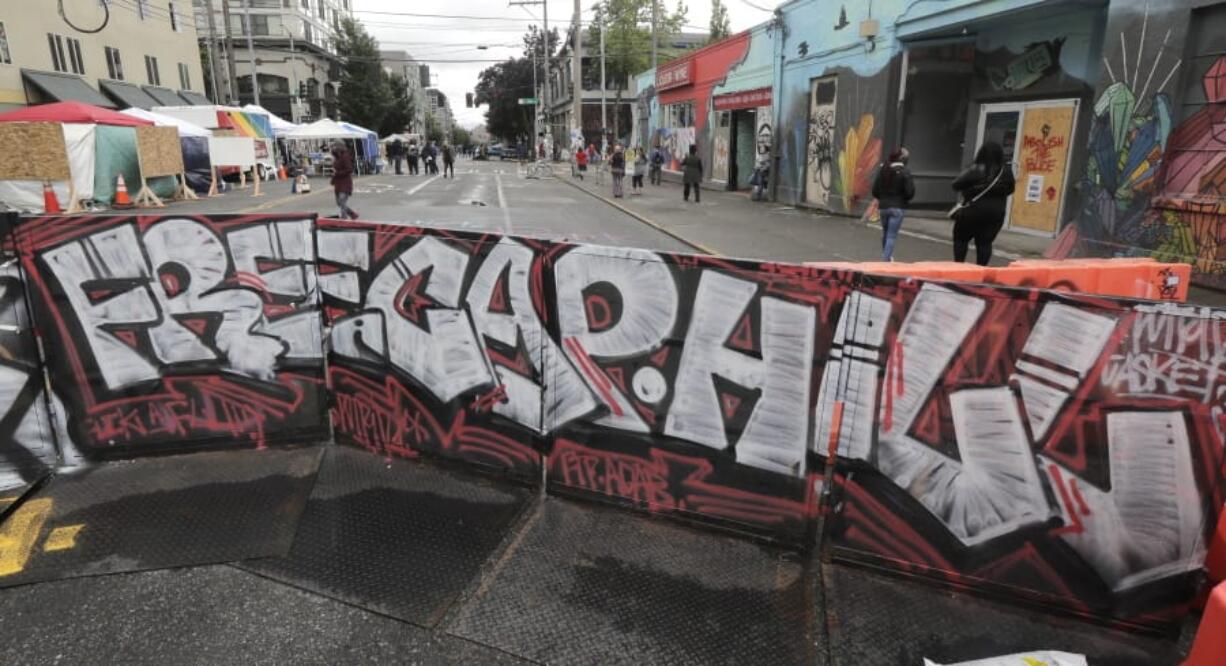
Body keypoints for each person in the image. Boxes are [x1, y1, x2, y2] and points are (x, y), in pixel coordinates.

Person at [951, 141, 1016, 265]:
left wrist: (971, 189)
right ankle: (981, 270)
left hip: (972, 211)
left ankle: (958, 266)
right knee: (985, 243)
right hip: (995, 214)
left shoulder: (976, 169)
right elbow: (1010, 189)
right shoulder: (1005, 171)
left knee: (961, 239)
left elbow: (956, 185)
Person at [871, 147, 916, 261]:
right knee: (891, 235)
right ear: (903, 159)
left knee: (886, 233)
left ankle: (887, 256)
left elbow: (875, 190)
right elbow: (910, 192)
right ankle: (885, 260)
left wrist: (883, 197)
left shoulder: (884, 170)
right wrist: (904, 199)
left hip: (884, 207)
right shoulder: (905, 172)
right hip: (898, 207)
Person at [330, 141, 358, 220]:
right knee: (339, 202)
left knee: (342, 200)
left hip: (345, 182)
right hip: (338, 183)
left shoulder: (345, 156)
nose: (332, 149)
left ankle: (344, 218)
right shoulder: (336, 157)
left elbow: (349, 169)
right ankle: (352, 214)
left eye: (334, 147)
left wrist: (338, 173)